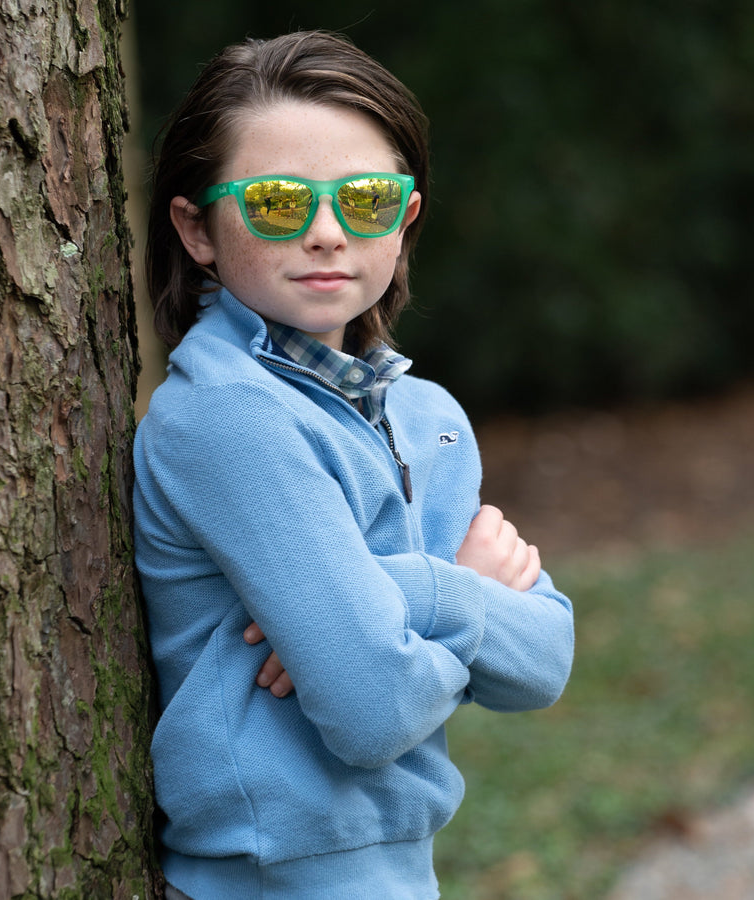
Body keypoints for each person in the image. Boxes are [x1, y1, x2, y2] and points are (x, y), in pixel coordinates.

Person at [133, 30, 574, 900]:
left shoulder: (428, 418)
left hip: (401, 869)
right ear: (199, 229)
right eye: (276, 203)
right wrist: (461, 592)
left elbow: (547, 664)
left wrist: (395, 595)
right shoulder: (224, 416)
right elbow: (374, 712)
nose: (329, 232)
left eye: (366, 199)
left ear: (403, 220)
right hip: (266, 879)